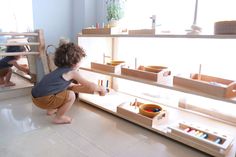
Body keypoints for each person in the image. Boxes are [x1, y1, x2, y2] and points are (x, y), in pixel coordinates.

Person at [31, 42, 107, 124]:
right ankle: (59, 118)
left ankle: (51, 110)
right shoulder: (73, 73)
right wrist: (101, 89)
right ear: (75, 62)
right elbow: (91, 86)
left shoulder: (58, 70)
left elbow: (64, 85)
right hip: (45, 100)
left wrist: (76, 86)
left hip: (35, 98)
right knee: (71, 95)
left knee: (62, 90)